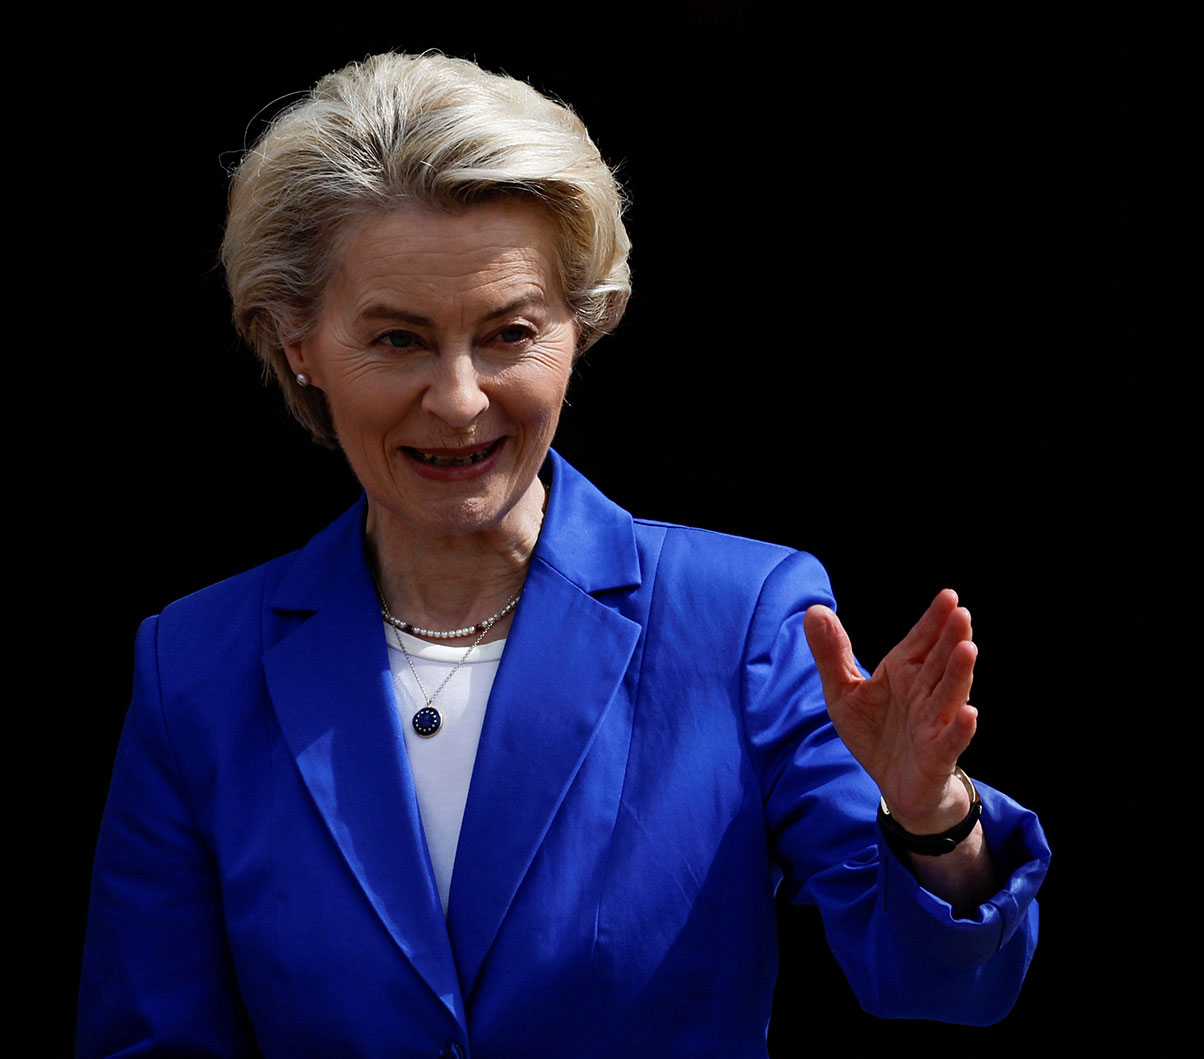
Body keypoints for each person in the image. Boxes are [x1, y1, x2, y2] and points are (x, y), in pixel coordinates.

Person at [78, 52, 1048, 1056]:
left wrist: (930, 816)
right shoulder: (193, 666)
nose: (458, 400)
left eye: (506, 334)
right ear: (296, 342)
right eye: (399, 340)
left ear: (579, 330)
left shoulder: (744, 618)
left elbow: (942, 989)